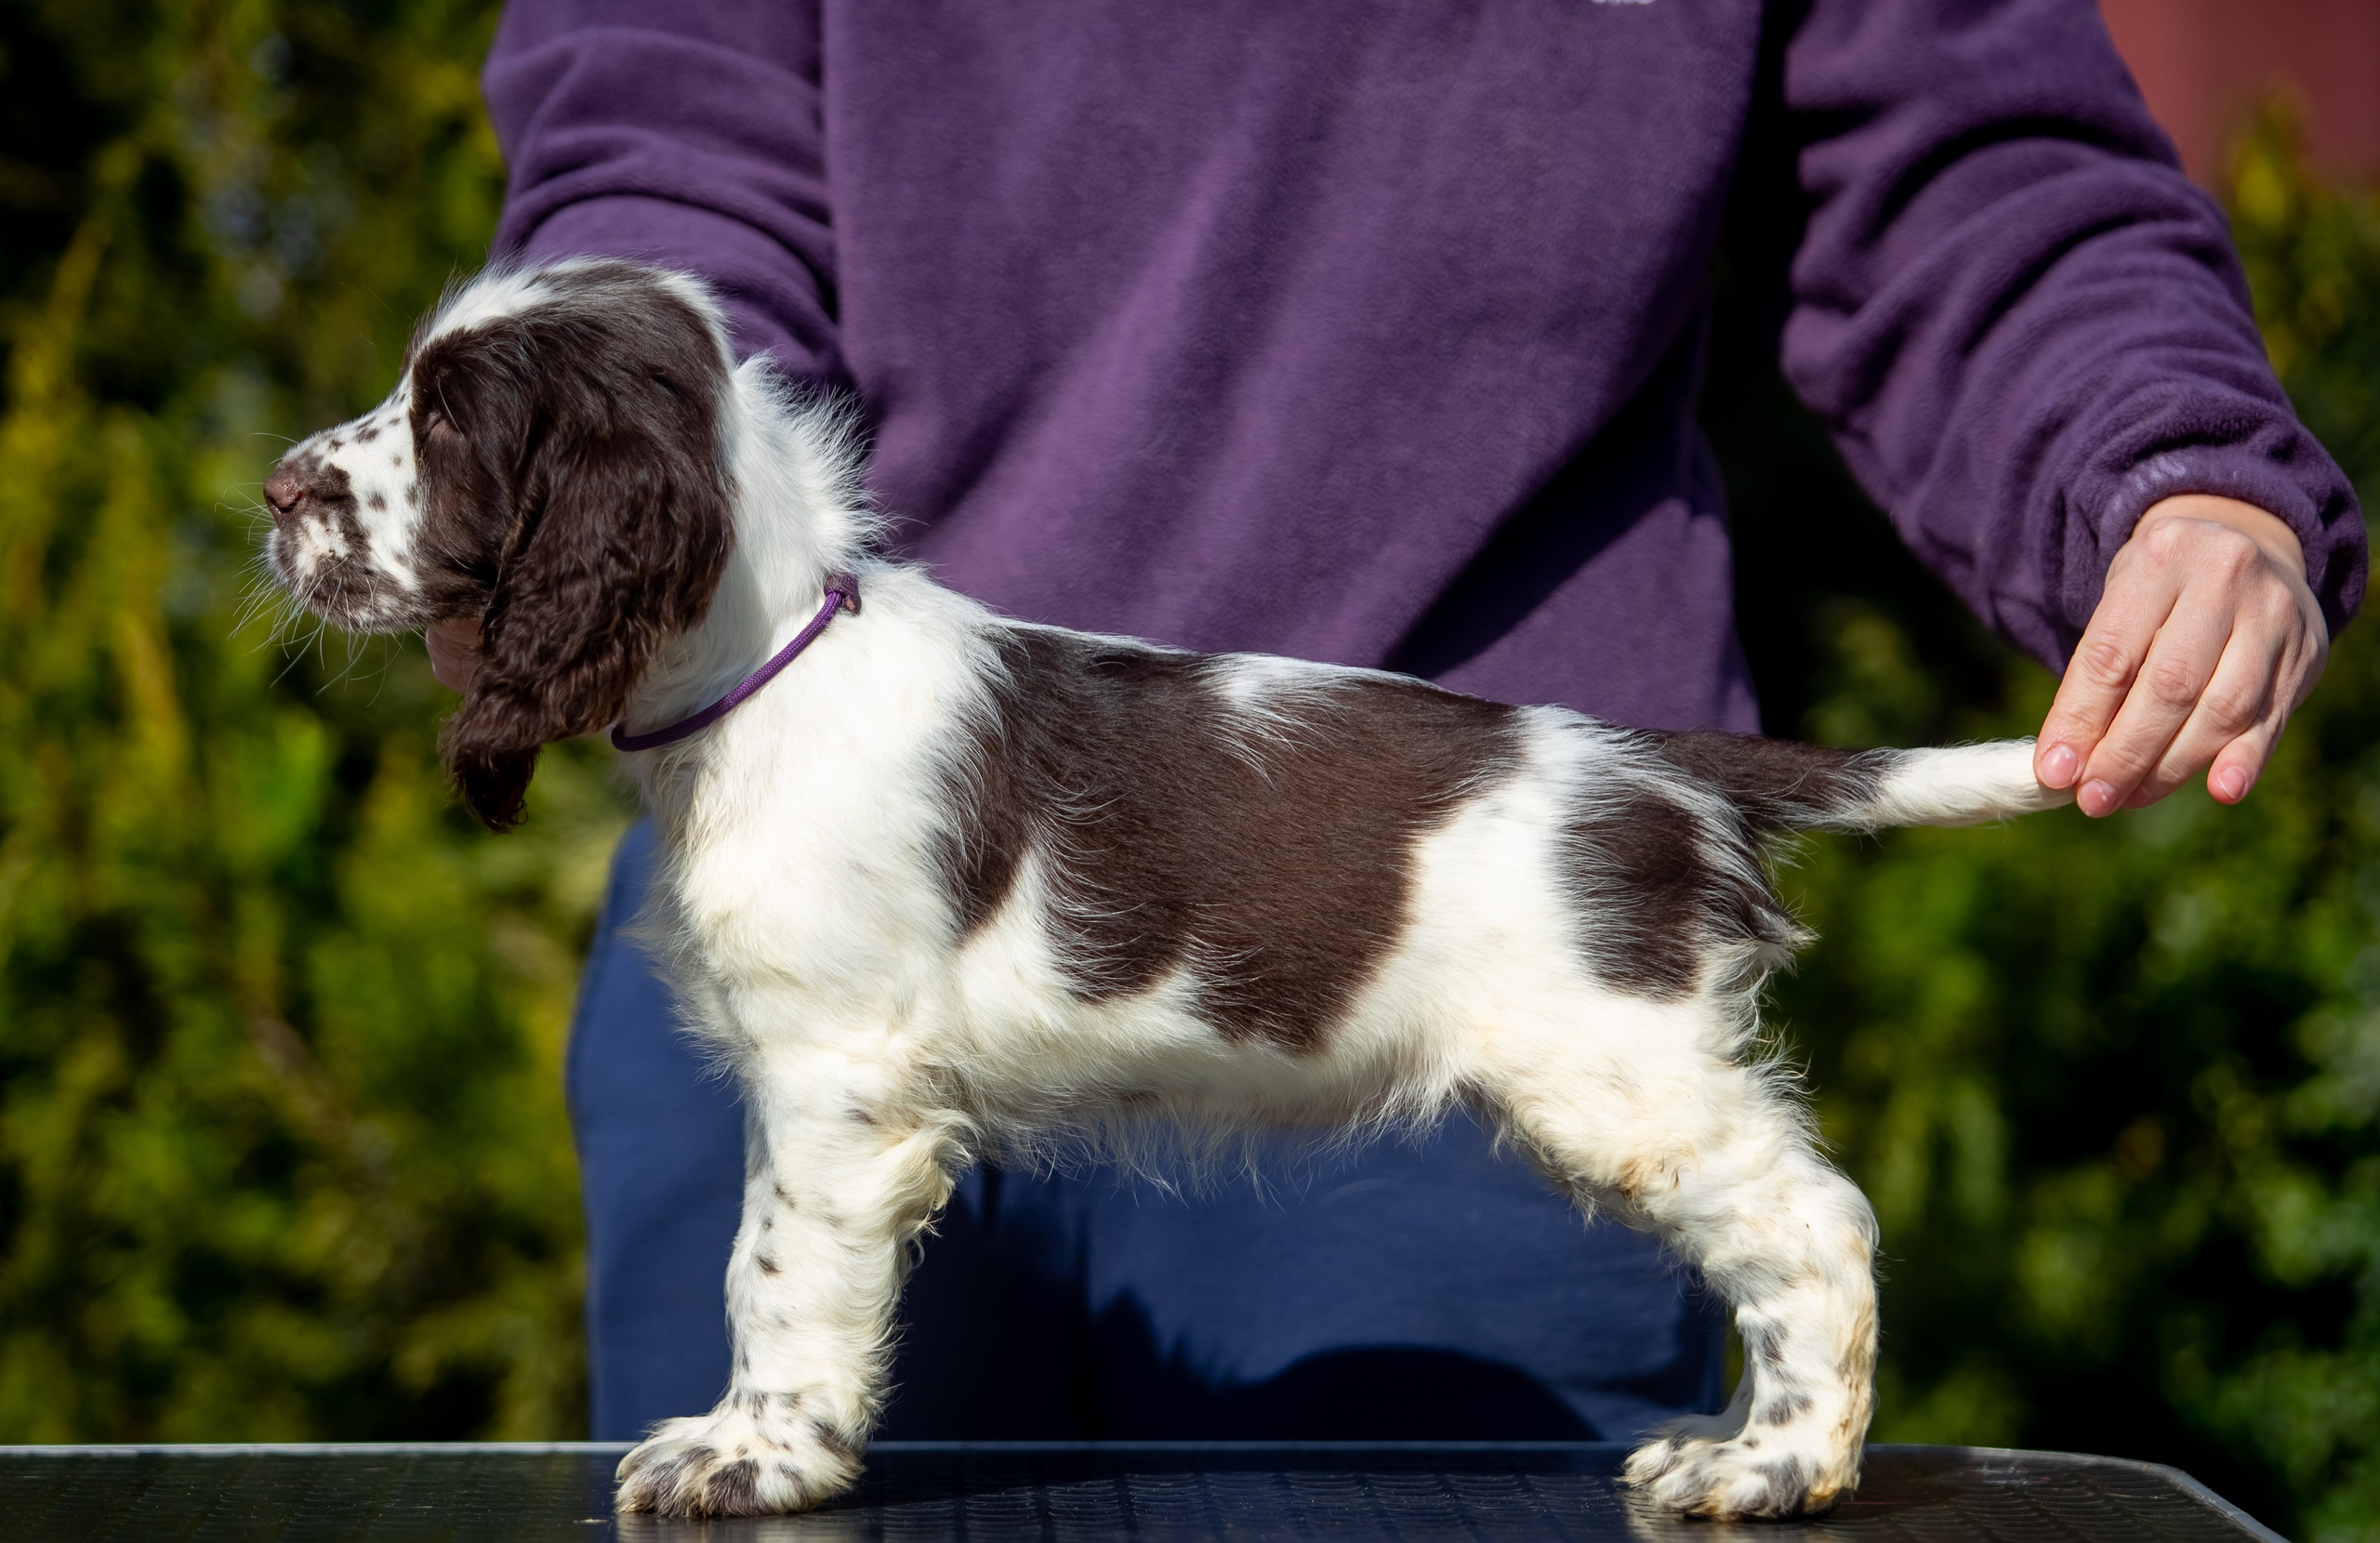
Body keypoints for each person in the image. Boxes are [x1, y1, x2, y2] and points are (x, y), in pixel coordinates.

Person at [442, 0, 2362, 1442]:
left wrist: (2173, 465)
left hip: (1418, 907)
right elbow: (658, 128)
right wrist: (608, 479)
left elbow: (1970, 169)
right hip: (827, 850)